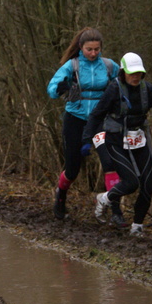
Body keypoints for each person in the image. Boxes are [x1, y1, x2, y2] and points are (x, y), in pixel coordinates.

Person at [82, 52, 152, 235]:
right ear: (123, 72)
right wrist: (87, 141)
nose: (135, 77)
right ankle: (104, 199)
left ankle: (137, 226)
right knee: (130, 182)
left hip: (139, 140)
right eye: (132, 73)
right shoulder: (113, 89)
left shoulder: (148, 89)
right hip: (116, 141)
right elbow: (96, 115)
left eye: (139, 73)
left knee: (148, 185)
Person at [47, 27, 125, 226]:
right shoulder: (71, 66)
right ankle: (61, 196)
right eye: (89, 49)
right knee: (73, 169)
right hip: (76, 120)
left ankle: (116, 211)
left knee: (110, 163)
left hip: (99, 121)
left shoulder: (109, 66)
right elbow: (51, 89)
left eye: (97, 49)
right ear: (81, 47)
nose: (93, 53)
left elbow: (123, 83)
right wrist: (61, 88)